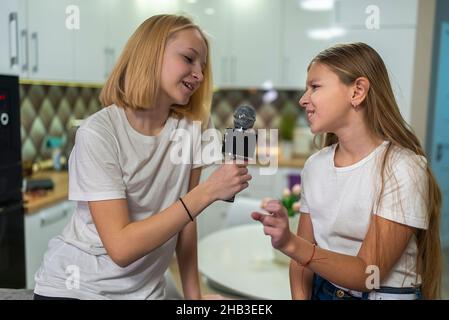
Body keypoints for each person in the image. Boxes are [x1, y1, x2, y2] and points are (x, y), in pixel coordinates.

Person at [33, 14, 251, 300]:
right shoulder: (99, 133)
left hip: (145, 292)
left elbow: (186, 222)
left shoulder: (194, 125)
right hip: (78, 289)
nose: (199, 74)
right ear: (150, 55)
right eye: (188, 58)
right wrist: (209, 191)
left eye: (203, 66)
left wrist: (194, 298)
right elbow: (121, 248)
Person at [252, 42, 442, 300]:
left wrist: (290, 243)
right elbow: (301, 263)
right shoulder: (315, 166)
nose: (302, 99)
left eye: (315, 87)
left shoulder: (402, 168)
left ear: (358, 91)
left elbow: (368, 273)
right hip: (323, 290)